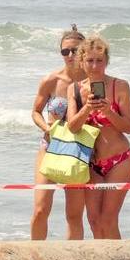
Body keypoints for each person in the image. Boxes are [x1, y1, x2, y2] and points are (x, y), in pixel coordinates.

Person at [65, 35, 130, 239]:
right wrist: (87, 107)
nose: (95, 66)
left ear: (106, 61)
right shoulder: (75, 89)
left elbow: (129, 127)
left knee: (108, 219)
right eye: (90, 61)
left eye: (100, 61)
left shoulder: (119, 86)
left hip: (119, 159)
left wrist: (108, 111)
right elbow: (73, 127)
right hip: (91, 163)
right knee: (94, 220)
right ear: (82, 61)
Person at [30, 25, 88, 240]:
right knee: (40, 208)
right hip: (50, 146)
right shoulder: (51, 80)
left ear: (83, 51)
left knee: (74, 214)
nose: (70, 55)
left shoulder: (92, 81)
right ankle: (35, 256)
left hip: (78, 150)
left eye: (75, 50)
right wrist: (47, 128)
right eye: (65, 51)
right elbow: (35, 111)